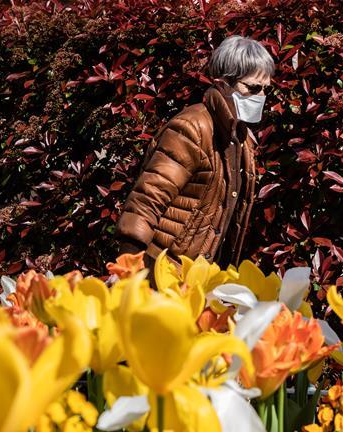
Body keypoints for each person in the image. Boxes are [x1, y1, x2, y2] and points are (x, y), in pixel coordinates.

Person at [115, 35, 274, 270]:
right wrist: (129, 270)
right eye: (252, 88)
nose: (260, 97)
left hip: (198, 274)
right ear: (223, 83)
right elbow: (147, 199)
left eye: (265, 89)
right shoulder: (192, 128)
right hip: (163, 269)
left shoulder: (241, 138)